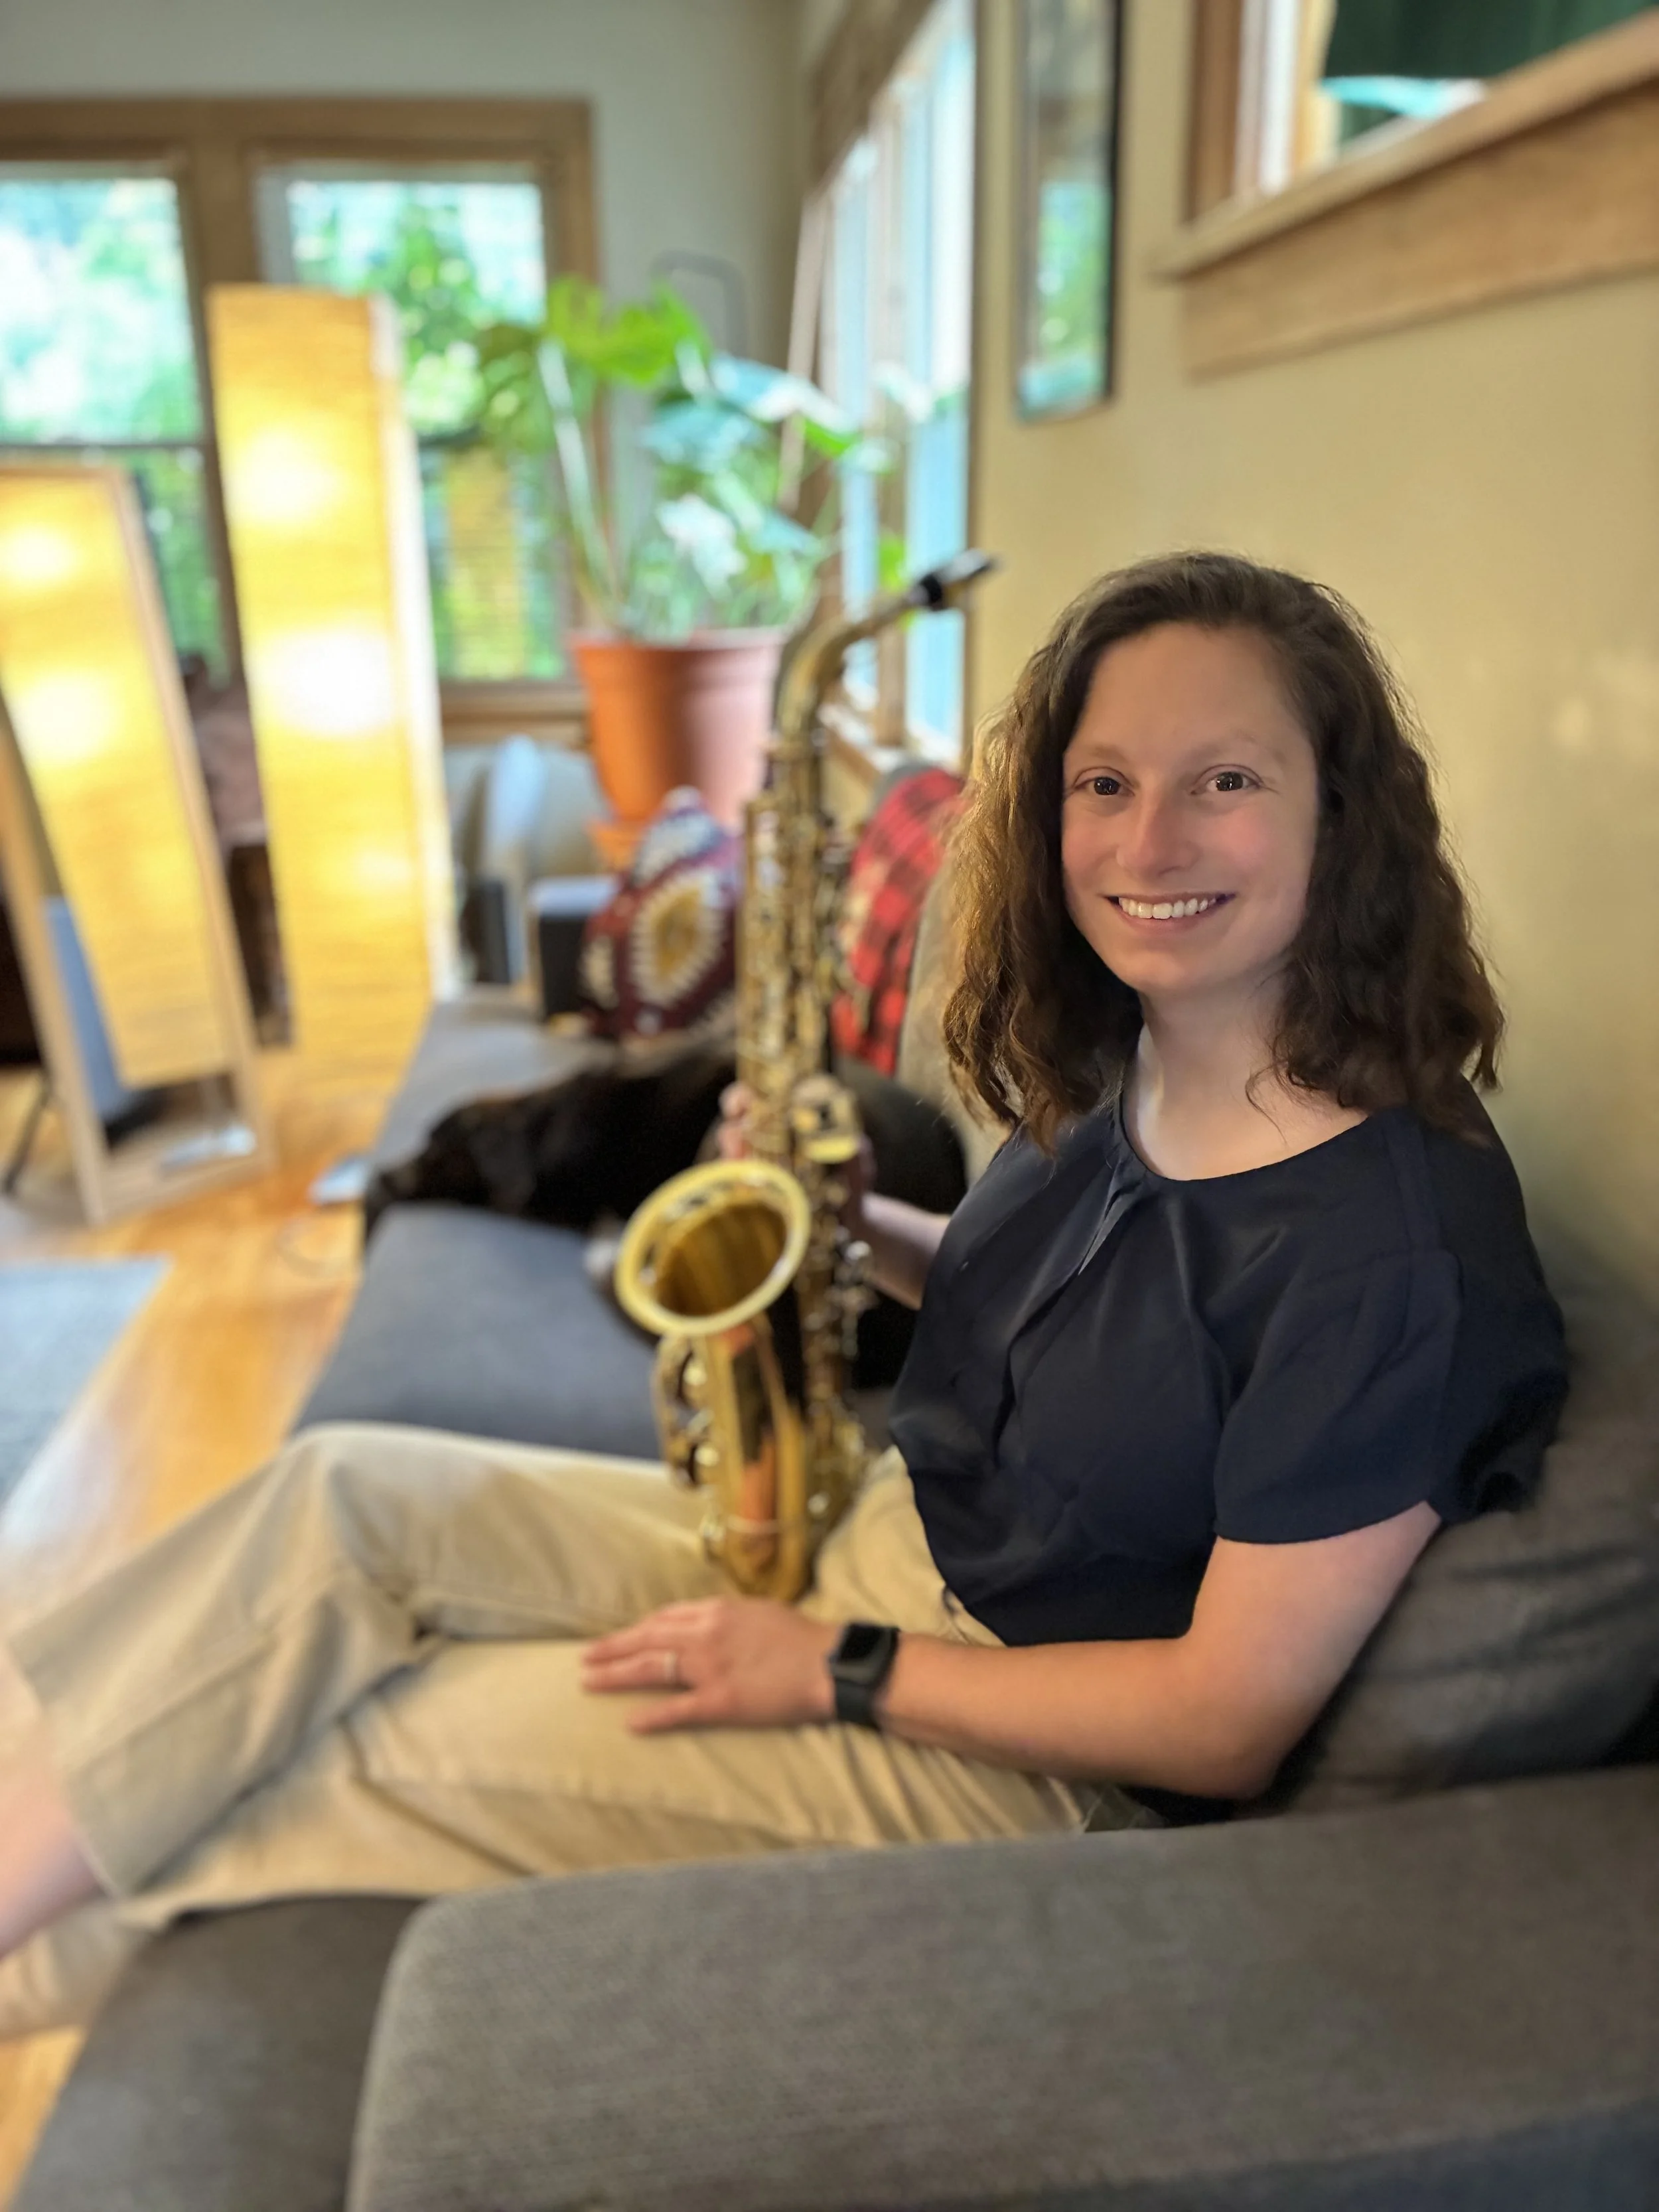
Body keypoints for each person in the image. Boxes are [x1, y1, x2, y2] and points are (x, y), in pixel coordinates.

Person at [0, 552, 1567, 2033]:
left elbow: (1223, 1715)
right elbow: (1089, 1324)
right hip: (865, 1549)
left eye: (1224, 780)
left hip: (1006, 1760)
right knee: (333, 1504)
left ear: (1340, 815)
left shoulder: (1392, 1251)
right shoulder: (1137, 1051)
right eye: (1104, 783)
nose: (1146, 843)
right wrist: (850, 1217)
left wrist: (838, 1670)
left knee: (340, 1742)